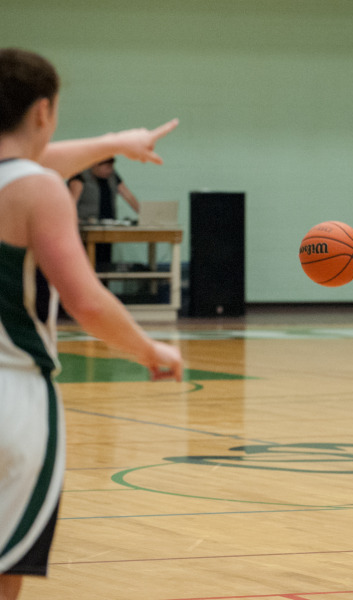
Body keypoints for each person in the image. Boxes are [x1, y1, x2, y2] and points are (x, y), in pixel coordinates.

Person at [0, 47, 183, 600]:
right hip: (12, 394)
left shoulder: (27, 177)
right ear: (42, 112)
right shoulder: (38, 189)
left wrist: (112, 143)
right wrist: (150, 349)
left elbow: (32, 162)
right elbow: (87, 301)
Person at [68, 157, 141, 266]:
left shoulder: (112, 176)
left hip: (107, 228)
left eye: (111, 167)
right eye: (106, 167)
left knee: (104, 264)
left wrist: (143, 213)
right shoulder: (80, 177)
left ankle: (103, 283)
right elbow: (71, 202)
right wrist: (72, 219)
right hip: (86, 230)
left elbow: (127, 195)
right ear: (95, 165)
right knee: (87, 263)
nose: (110, 170)